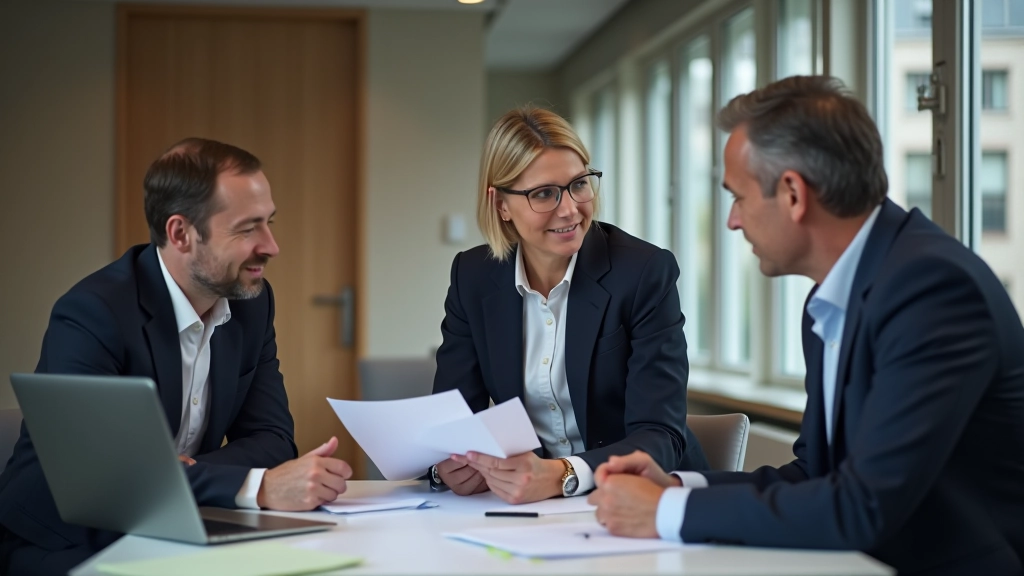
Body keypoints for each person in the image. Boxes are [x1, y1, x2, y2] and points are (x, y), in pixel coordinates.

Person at [587, 76, 1024, 575]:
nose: (732, 221)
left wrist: (666, 512)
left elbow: (862, 506)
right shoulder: (833, 296)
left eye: (738, 197)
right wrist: (677, 486)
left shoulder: (932, 289)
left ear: (793, 194)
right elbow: (818, 473)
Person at [0, 138, 353, 576]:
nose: (271, 246)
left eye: (269, 223)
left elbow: (273, 439)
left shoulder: (252, 304)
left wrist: (177, 472)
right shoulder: (94, 312)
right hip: (64, 540)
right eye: (248, 229)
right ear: (180, 233)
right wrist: (257, 485)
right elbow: (104, 482)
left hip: (179, 526)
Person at [429, 107, 709, 505]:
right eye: (544, 193)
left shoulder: (643, 272)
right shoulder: (473, 276)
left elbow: (660, 434)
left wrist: (562, 473)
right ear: (501, 204)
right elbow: (454, 419)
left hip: (642, 495)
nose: (570, 209)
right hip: (533, 507)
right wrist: (446, 468)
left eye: (579, 184)